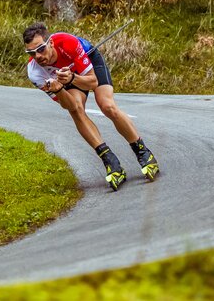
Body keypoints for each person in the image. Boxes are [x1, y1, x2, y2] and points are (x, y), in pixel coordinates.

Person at [22, 22, 158, 191]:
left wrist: (72, 78)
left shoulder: (68, 43)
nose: (38, 56)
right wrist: (59, 90)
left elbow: (92, 82)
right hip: (66, 78)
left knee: (107, 105)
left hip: (88, 64)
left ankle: (143, 152)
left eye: (40, 49)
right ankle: (111, 161)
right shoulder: (35, 72)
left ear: (50, 43)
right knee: (76, 111)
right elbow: (70, 105)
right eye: (31, 53)